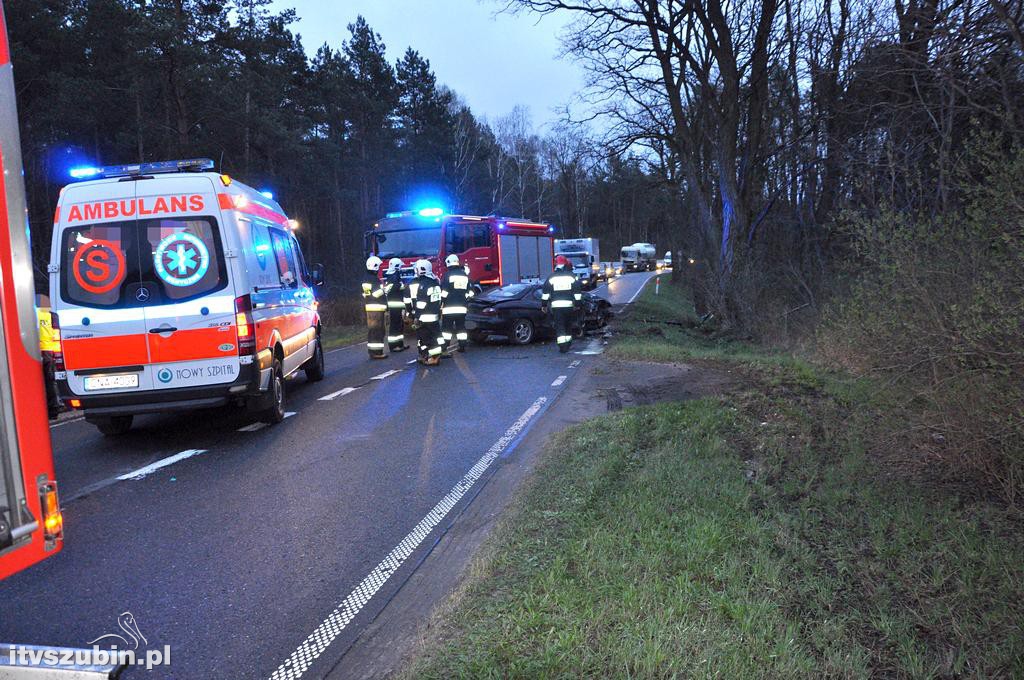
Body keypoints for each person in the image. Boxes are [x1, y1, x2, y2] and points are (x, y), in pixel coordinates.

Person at [541, 255, 582, 353]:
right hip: (569, 306)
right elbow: (577, 292)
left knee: (560, 325)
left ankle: (562, 346)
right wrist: (577, 304)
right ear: (566, 264)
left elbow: (545, 293)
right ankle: (567, 344)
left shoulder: (551, 277)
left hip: (556, 307)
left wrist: (544, 305)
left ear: (556, 264)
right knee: (568, 324)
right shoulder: (572, 276)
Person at [411, 259, 445, 365]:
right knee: (433, 336)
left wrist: (417, 316)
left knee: (427, 338)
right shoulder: (435, 282)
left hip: (424, 316)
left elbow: (421, 303)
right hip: (434, 315)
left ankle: (434, 358)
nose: (415, 271)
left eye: (417, 269)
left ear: (422, 270)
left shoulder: (423, 285)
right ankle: (429, 356)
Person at [440, 254, 474, 353]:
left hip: (449, 307)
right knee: (461, 327)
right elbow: (470, 292)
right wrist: (464, 298)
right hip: (462, 307)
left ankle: (444, 347)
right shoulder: (464, 275)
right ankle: (462, 346)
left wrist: (441, 302)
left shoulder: (447, 275)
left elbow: (444, 292)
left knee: (447, 329)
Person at [36, 294, 60, 419]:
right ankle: (54, 409)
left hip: (33, 351)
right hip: (49, 351)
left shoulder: (32, 315)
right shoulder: (52, 315)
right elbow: (56, 335)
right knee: (50, 381)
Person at [361, 255, 387, 359]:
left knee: (373, 330)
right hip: (376, 308)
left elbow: (366, 294)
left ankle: (373, 352)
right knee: (378, 330)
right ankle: (377, 353)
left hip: (370, 307)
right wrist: (384, 289)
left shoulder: (366, 278)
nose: (379, 268)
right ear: (375, 266)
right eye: (379, 266)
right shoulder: (373, 279)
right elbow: (375, 294)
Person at [383, 258, 407, 352]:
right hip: (394, 305)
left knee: (399, 325)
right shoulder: (392, 276)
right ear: (396, 266)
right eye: (400, 266)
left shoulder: (394, 275)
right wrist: (401, 286)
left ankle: (400, 344)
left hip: (398, 304)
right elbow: (391, 288)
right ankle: (393, 346)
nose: (401, 267)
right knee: (394, 326)